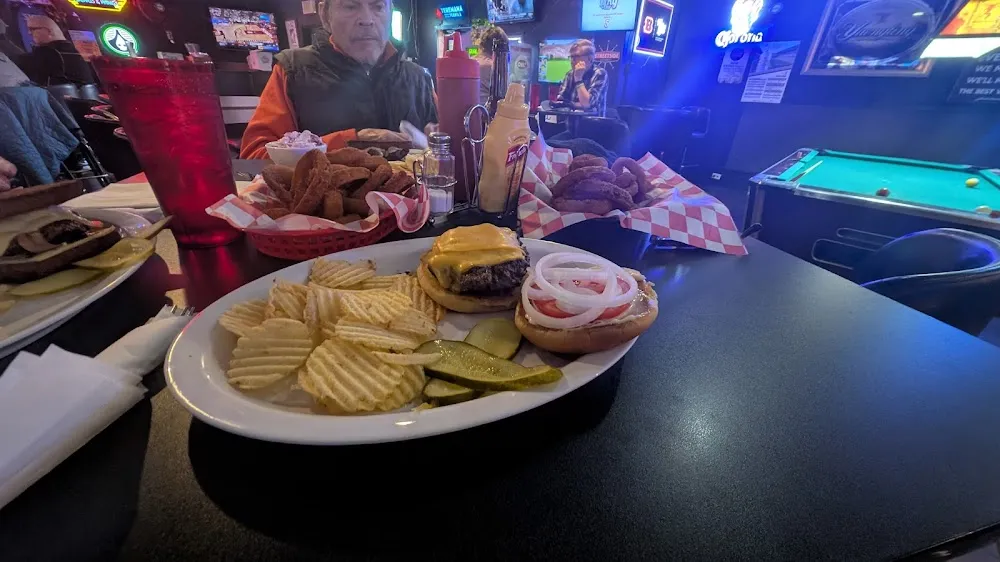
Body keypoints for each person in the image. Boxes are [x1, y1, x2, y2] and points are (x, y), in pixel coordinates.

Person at [240, 0, 437, 159]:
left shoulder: (419, 78)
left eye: (378, 7)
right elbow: (254, 158)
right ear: (325, 14)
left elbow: (448, 149)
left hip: (417, 205)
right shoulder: (293, 69)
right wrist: (350, 141)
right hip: (319, 207)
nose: (367, 19)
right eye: (351, 6)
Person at [18, 15, 96, 87]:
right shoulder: (72, 51)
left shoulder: (47, 52)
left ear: (49, 31)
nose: (29, 33)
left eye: (32, 29)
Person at [556, 39, 608, 114]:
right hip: (569, 124)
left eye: (576, 56)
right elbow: (562, 102)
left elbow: (587, 104)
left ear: (590, 58)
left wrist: (578, 79)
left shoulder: (600, 74)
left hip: (592, 124)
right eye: (571, 57)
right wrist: (573, 104)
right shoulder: (569, 74)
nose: (572, 60)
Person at [472, 25, 507, 105]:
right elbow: (506, 97)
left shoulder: (470, 62)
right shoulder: (494, 67)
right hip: (485, 115)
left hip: (466, 114)